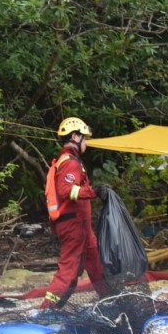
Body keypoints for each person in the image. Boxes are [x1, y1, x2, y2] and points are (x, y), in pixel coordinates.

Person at [42, 117, 109, 309]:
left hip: (82, 228)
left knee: (97, 267)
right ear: (75, 136)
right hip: (74, 226)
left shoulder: (69, 161)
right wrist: (93, 191)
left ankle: (109, 298)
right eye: (84, 138)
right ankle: (46, 310)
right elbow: (65, 190)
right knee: (68, 272)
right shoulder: (70, 162)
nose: (86, 142)